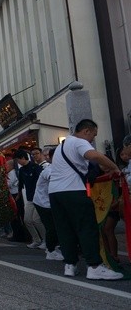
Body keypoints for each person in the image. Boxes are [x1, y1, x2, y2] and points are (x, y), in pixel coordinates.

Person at [49, 119, 123, 280]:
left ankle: (70, 265)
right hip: (73, 190)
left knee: (65, 229)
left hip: (55, 193)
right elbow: (94, 155)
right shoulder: (78, 142)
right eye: (93, 135)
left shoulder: (62, 145)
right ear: (86, 131)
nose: (92, 140)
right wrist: (115, 167)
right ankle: (94, 266)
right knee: (86, 227)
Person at [33, 147, 63, 261]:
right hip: (42, 202)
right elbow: (53, 179)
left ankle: (54, 247)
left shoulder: (58, 168)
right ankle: (50, 250)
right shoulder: (49, 169)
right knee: (52, 227)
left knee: (57, 226)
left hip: (50, 202)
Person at [14, 149, 46, 249]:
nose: (18, 162)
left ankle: (46, 240)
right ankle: (36, 240)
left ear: (23, 158)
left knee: (36, 220)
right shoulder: (22, 170)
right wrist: (18, 194)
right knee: (27, 220)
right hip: (29, 199)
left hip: (39, 198)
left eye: (18, 160)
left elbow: (43, 181)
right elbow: (21, 184)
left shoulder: (35, 167)